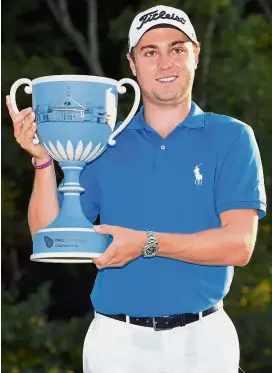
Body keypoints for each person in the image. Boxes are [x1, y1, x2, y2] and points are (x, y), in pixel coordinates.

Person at [6, 4, 267, 373]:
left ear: (195, 55)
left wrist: (146, 242)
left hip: (204, 341)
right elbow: (48, 235)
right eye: (150, 52)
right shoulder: (102, 142)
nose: (165, 63)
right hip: (116, 343)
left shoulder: (231, 136)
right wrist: (43, 160)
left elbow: (239, 246)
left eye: (176, 49)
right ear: (132, 64)